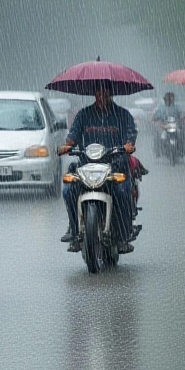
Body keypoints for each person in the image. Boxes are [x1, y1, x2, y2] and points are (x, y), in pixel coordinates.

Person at [57, 82, 139, 253]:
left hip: (115, 164)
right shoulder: (84, 115)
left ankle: (123, 235)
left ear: (111, 93)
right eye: (98, 92)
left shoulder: (123, 115)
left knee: (122, 191)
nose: (102, 96)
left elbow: (131, 135)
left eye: (105, 92)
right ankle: (74, 230)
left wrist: (129, 144)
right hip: (86, 165)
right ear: (94, 94)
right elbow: (72, 137)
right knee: (68, 191)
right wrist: (67, 146)